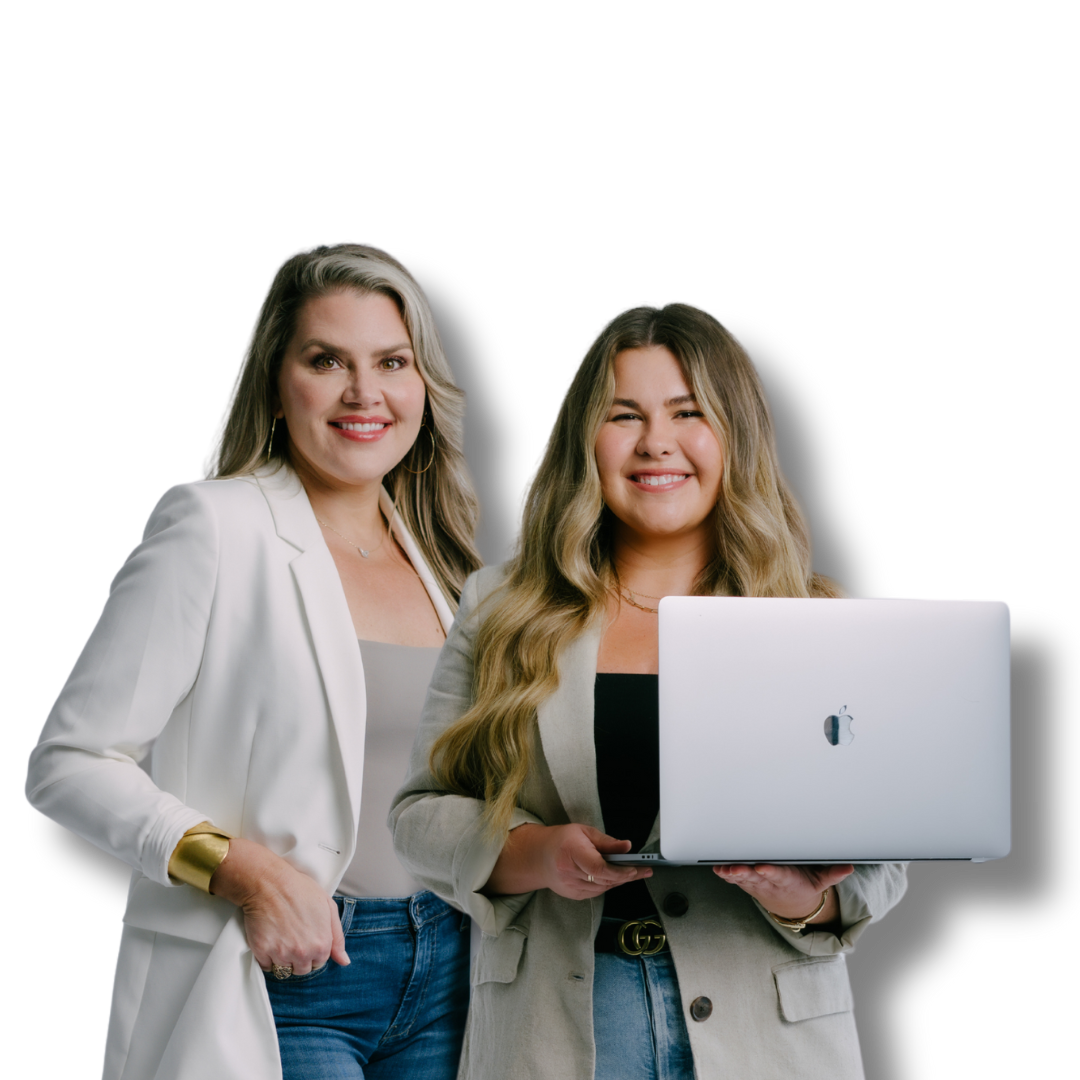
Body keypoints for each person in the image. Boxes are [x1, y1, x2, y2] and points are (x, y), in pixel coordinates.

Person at [390, 300, 908, 1080]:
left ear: (735, 434)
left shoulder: (817, 616)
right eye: (624, 414)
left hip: (766, 1037)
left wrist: (795, 893)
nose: (656, 441)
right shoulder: (500, 606)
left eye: (688, 412)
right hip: (554, 1030)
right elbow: (419, 817)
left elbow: (883, 857)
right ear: (586, 440)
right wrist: (534, 854)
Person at [25, 242, 484, 1080]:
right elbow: (68, 762)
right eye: (326, 361)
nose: (364, 392)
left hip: (450, 967)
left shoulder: (445, 563)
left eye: (392, 361)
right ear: (276, 384)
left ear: (425, 386)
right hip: (286, 972)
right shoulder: (212, 525)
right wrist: (246, 873)